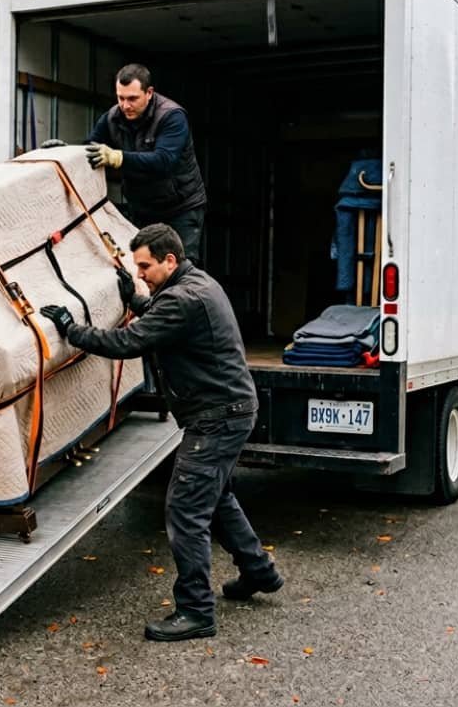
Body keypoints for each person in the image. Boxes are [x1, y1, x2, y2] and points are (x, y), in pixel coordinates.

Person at [39, 223, 282, 642]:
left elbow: (127, 342)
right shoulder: (194, 283)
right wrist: (134, 298)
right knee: (216, 496)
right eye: (137, 268)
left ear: (170, 260)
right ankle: (258, 571)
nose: (140, 274)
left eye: (145, 267)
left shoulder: (183, 299)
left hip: (216, 418)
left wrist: (70, 330)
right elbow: (161, 317)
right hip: (230, 411)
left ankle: (196, 611)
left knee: (186, 510)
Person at [70, 64, 208, 261]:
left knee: (179, 266)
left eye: (132, 98)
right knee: (139, 265)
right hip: (142, 208)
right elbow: (90, 149)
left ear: (149, 93)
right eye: (121, 98)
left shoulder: (172, 116)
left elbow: (164, 161)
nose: (125, 105)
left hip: (180, 208)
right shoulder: (113, 118)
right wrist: (62, 150)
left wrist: (119, 158)